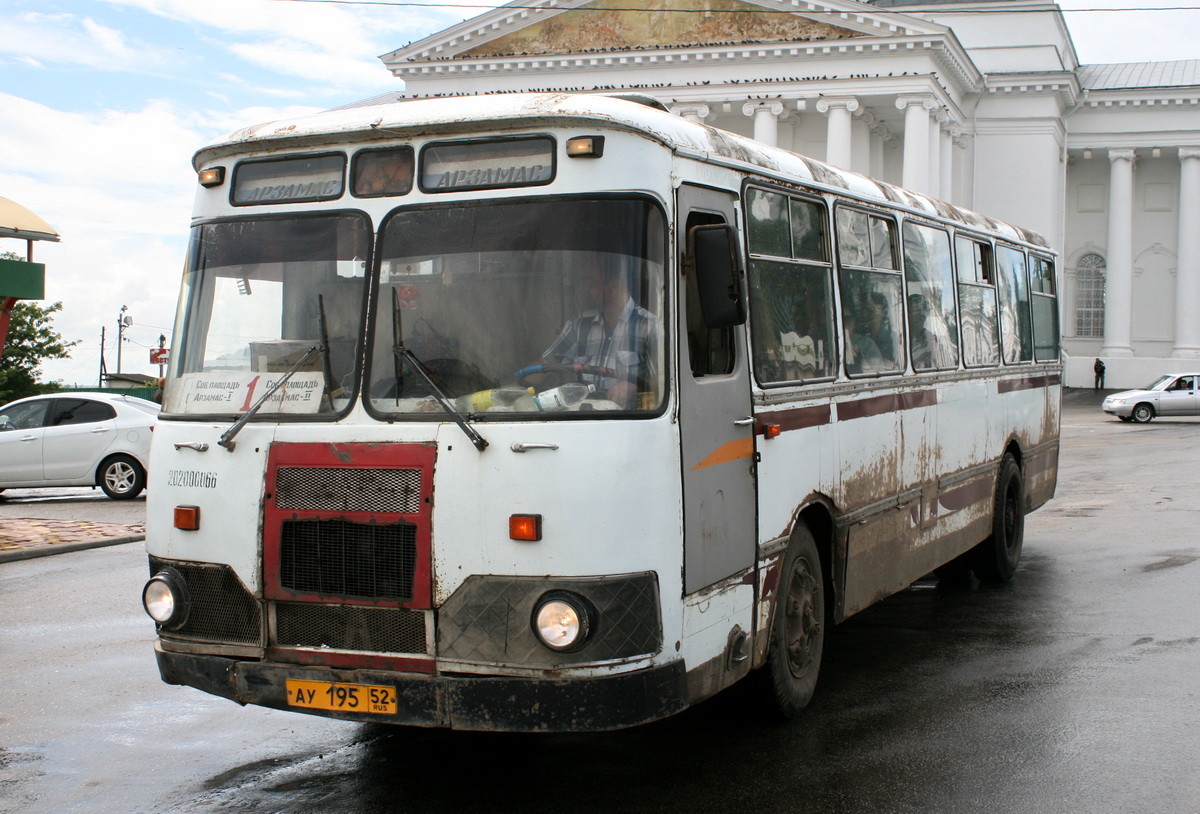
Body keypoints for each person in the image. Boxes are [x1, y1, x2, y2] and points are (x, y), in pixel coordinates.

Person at [539, 256, 659, 408]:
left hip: (629, 423)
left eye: (591, 283)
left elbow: (668, 381)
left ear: (613, 288)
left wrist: (634, 384)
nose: (586, 288)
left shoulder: (649, 326)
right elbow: (545, 364)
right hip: (578, 421)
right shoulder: (578, 325)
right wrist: (510, 392)